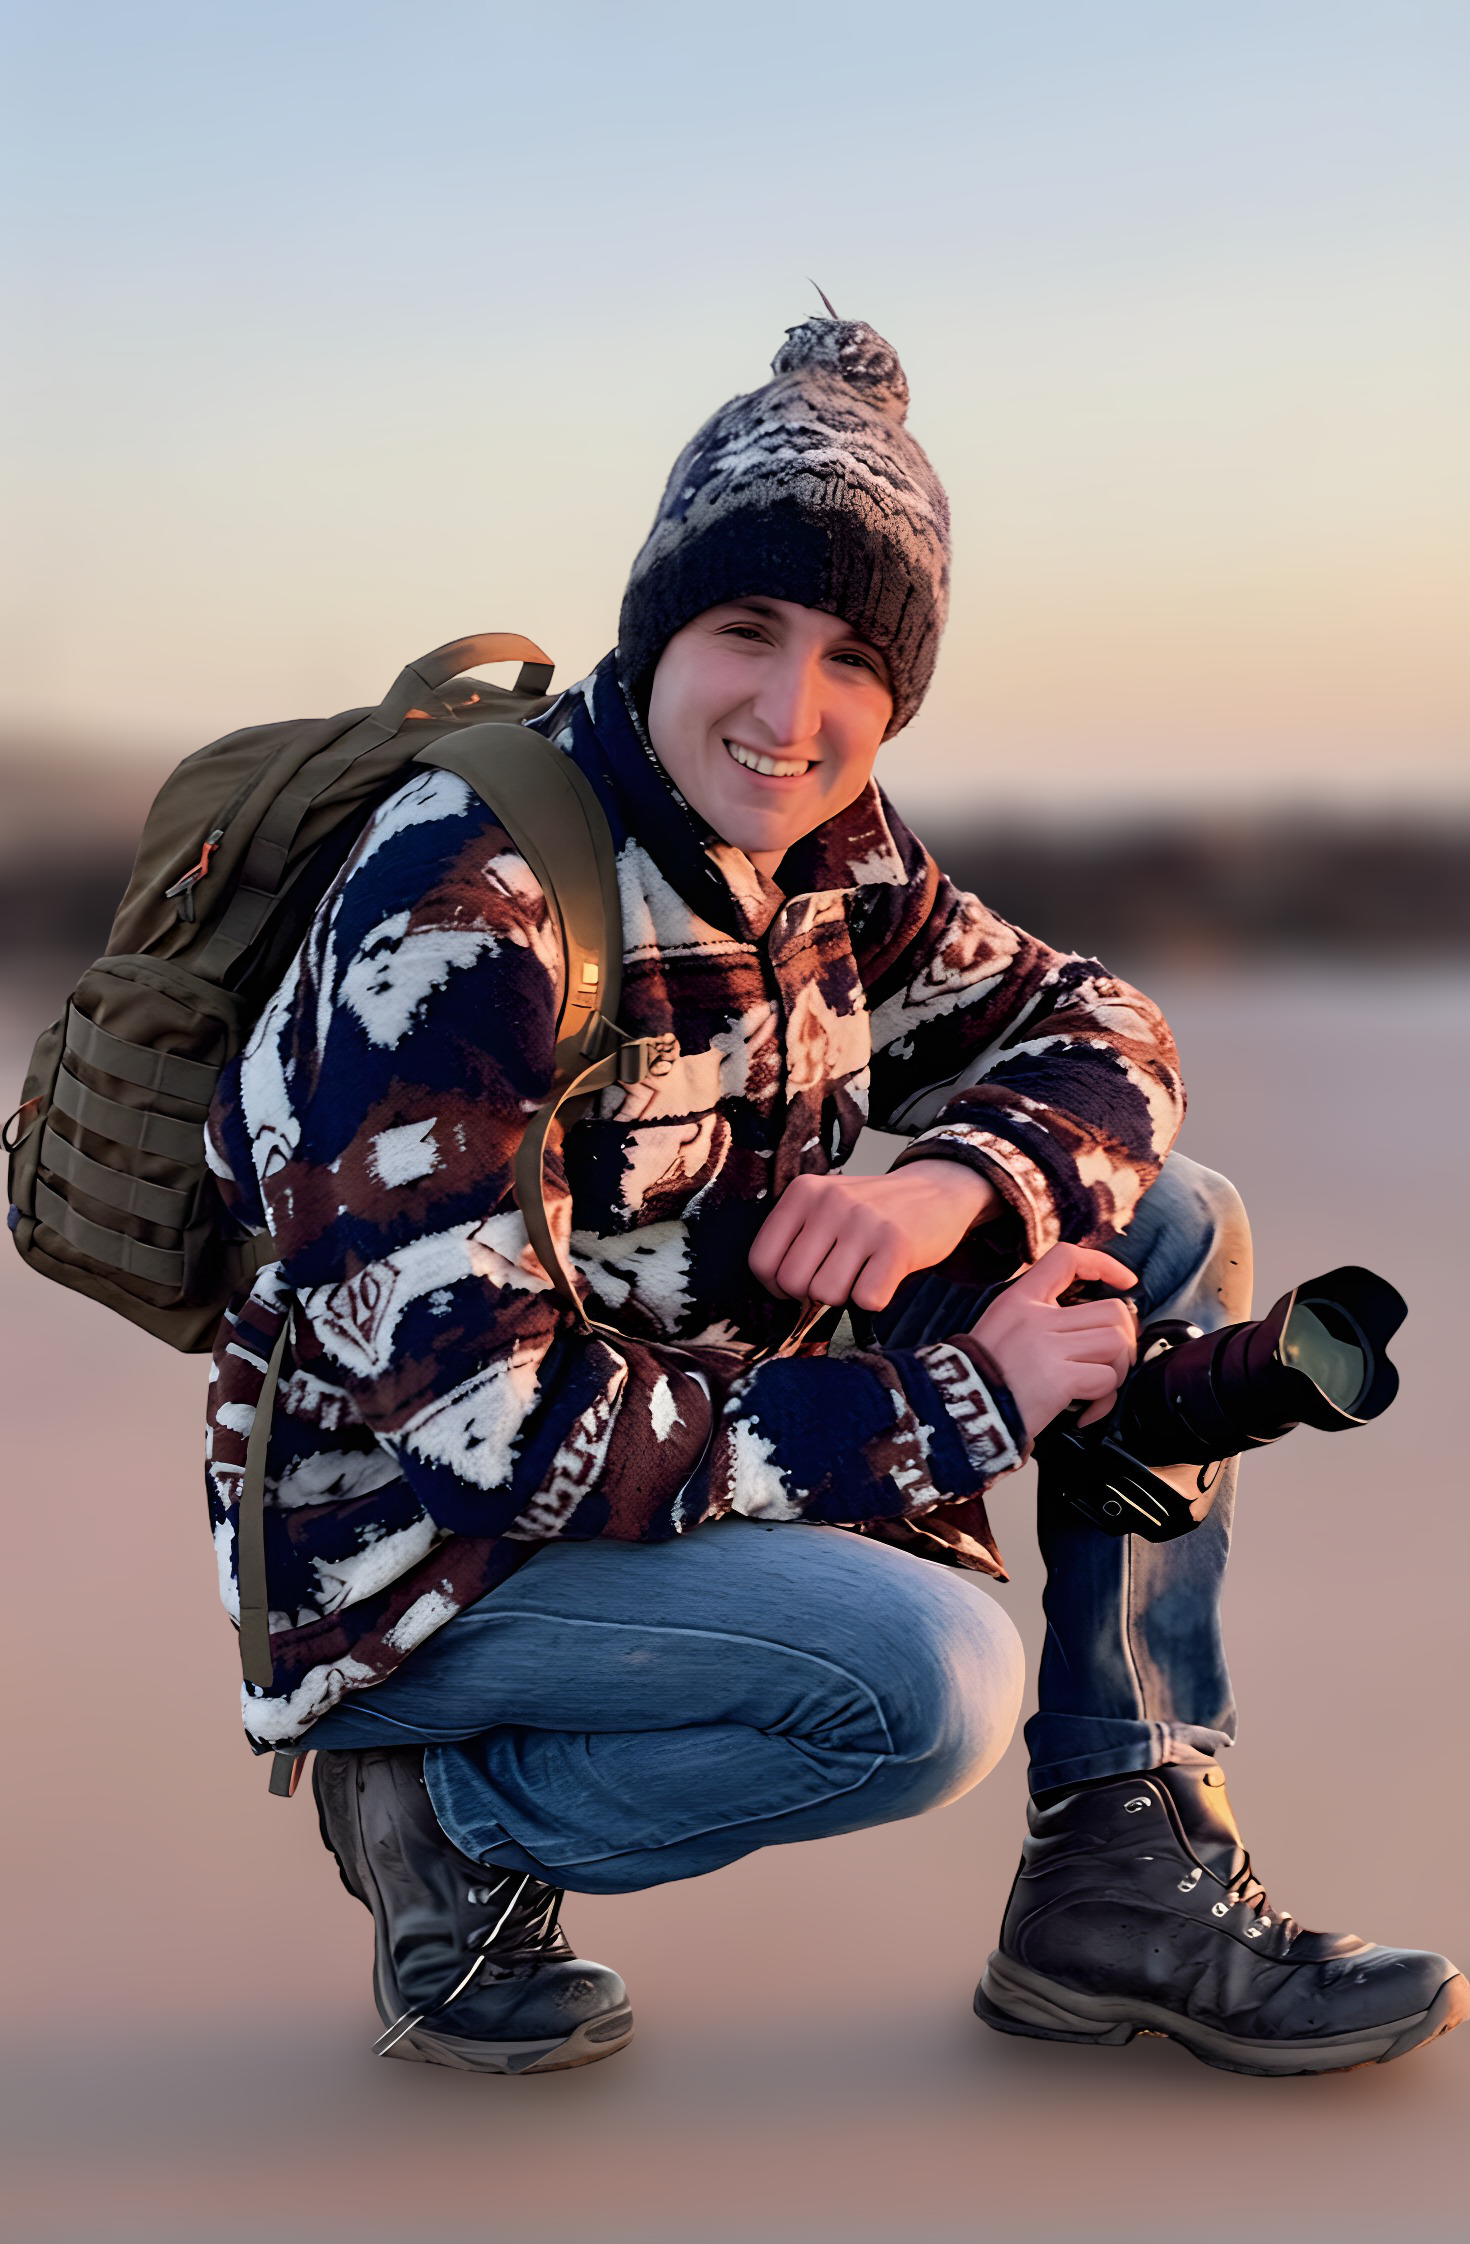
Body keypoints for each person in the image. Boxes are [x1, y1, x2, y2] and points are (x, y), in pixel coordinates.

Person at [206, 312, 1465, 2078]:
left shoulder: (821, 849)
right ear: (656, 629)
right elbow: (487, 1427)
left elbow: (1101, 1024)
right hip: (410, 1541)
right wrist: (963, 1401)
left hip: (674, 1388)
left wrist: (948, 1187)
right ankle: (440, 1817)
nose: (793, 712)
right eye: (745, 631)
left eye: (854, 661)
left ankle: (1118, 1862)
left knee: (1168, 1218)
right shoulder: (465, 901)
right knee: (918, 1688)